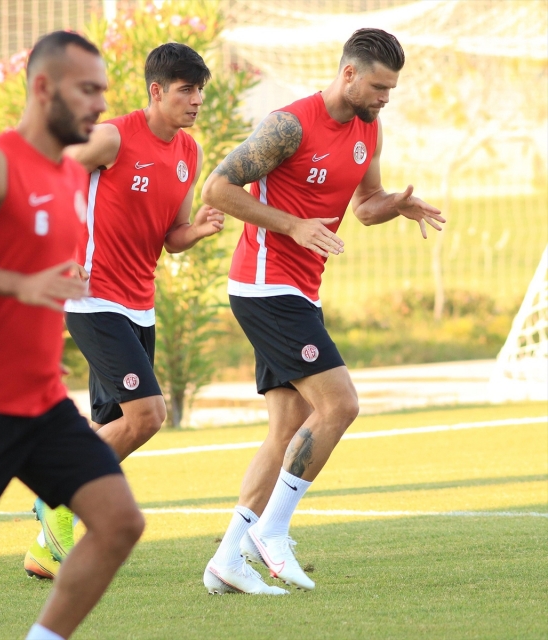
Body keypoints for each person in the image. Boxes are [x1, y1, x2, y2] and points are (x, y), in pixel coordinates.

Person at [0, 31, 144, 640]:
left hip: (42, 403)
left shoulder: (69, 175)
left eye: (104, 91)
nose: (99, 105)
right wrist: (20, 284)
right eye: (86, 90)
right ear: (43, 89)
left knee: (119, 523)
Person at [201, 28, 446, 595]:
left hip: (300, 289)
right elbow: (215, 189)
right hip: (265, 286)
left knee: (287, 426)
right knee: (341, 404)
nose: (386, 97)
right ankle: (272, 533)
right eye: (379, 86)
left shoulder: (368, 127)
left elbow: (363, 206)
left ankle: (227, 561)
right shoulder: (289, 125)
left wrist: (397, 205)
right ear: (349, 74)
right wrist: (292, 225)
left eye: (392, 89)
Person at [25, 42, 224, 576]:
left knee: (111, 425)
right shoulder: (113, 136)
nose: (196, 101)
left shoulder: (190, 152)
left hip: (140, 307)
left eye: (200, 91)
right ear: (156, 91)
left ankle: (44, 550)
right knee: (148, 416)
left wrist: (197, 231)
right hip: (92, 300)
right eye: (186, 90)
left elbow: (171, 237)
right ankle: (58, 495)